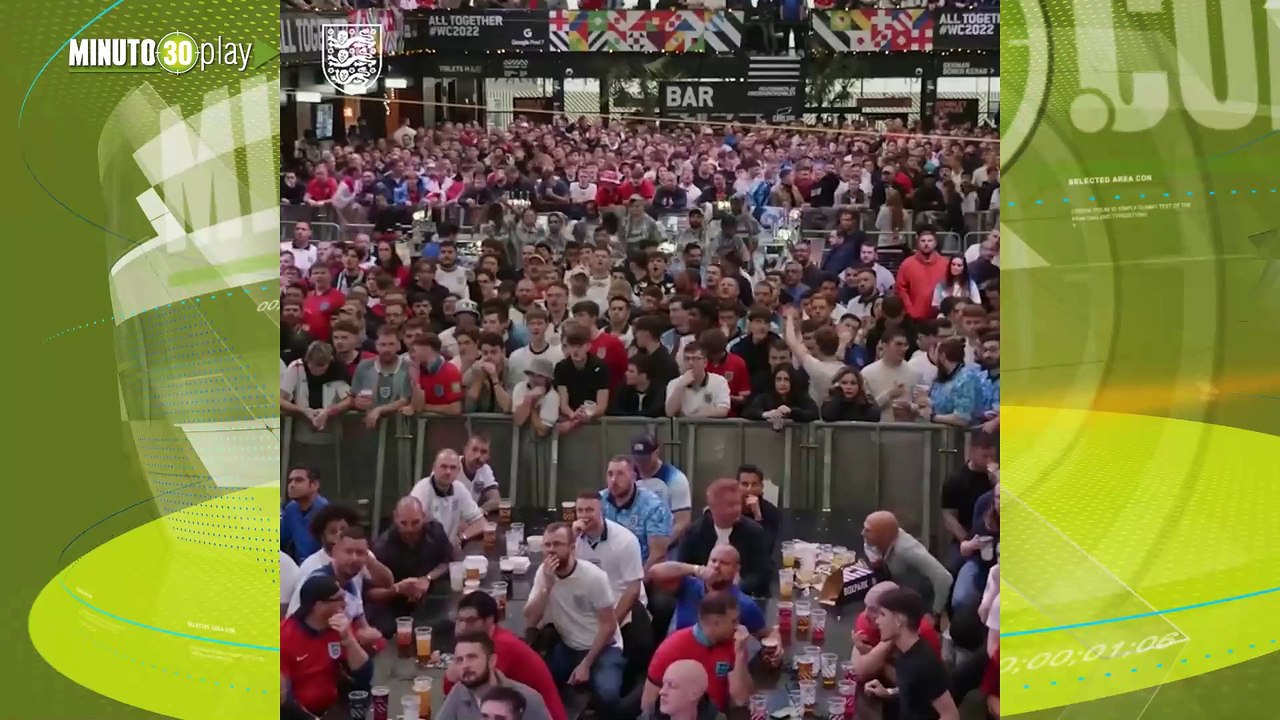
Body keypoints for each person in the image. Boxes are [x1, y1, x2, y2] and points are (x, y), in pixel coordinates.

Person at [524, 522, 627, 713]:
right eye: (547, 545)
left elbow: (608, 626)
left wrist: (586, 664)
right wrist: (546, 587)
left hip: (603, 646)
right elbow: (530, 619)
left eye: (557, 544)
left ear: (572, 548)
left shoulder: (594, 577)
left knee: (608, 695)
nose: (551, 550)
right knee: (535, 684)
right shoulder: (543, 574)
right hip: (569, 645)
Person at [445, 592, 568, 720]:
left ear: (489, 620)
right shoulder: (493, 639)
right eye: (460, 620)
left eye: (470, 620)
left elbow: (464, 689)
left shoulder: (500, 647)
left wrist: (452, 674)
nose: (463, 626)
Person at [642, 592, 754, 717]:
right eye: (734, 621)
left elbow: (741, 698)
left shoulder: (735, 643)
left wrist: (740, 655)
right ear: (714, 624)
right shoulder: (672, 648)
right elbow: (648, 702)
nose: (739, 626)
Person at [280, 575, 373, 717]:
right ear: (318, 606)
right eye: (339, 599)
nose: (345, 604)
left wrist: (348, 639)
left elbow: (364, 674)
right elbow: (282, 697)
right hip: (299, 713)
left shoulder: (338, 625)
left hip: (333, 706)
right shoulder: (284, 636)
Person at [862, 587, 960, 720]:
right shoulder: (904, 652)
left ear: (899, 621)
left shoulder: (925, 664)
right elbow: (915, 691)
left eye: (883, 614)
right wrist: (888, 693)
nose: (877, 621)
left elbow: (951, 715)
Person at [367, 496, 454, 634]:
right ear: (395, 518)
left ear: (424, 517)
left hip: (433, 596)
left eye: (415, 523)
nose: (410, 529)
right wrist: (398, 589)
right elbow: (370, 593)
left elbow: (448, 561)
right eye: (403, 523)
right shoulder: (382, 547)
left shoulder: (435, 531)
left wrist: (428, 578)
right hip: (397, 605)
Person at [675, 479, 772, 598]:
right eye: (731, 505)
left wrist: (736, 590)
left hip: (743, 596)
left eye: (738, 504)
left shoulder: (754, 531)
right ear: (713, 507)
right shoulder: (693, 532)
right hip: (701, 595)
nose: (737, 509)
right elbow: (682, 568)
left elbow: (761, 572)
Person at [437, 631, 553, 720]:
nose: (465, 665)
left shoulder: (527, 699)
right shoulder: (460, 691)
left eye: (472, 657)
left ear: (492, 661)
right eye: (459, 660)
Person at [862, 511, 953, 619]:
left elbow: (944, 578)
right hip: (899, 593)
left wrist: (935, 613)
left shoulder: (906, 550)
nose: (863, 533)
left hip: (922, 602)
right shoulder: (871, 545)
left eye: (868, 531)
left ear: (883, 534)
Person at [409, 449, 487, 546]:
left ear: (458, 471)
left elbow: (481, 523)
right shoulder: (421, 491)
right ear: (434, 468)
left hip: (449, 552)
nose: (448, 472)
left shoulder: (459, 489)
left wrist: (462, 537)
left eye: (453, 467)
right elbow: (410, 530)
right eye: (443, 467)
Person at [630, 435, 693, 543]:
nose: (641, 464)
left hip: (666, 540)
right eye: (637, 460)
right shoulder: (629, 475)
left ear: (657, 453)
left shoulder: (675, 478)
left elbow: (682, 522)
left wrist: (661, 544)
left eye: (645, 460)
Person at [282, 466, 328, 563]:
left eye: (299, 480)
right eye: (290, 481)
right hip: (298, 568)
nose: (292, 485)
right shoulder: (291, 509)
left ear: (315, 485)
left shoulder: (326, 511)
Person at [735, 465, 779, 551]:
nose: (749, 489)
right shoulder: (728, 507)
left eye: (754, 484)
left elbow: (766, 546)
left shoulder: (770, 511)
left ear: (761, 487)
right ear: (737, 486)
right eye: (745, 484)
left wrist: (758, 516)